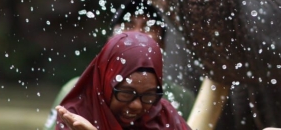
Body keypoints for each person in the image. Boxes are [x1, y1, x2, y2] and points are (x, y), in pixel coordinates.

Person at [43, 0, 195, 130]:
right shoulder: (78, 104)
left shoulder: (166, 112)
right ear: (110, 42)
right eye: (126, 93)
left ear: (161, 44)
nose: (137, 33)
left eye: (149, 95)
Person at [56, 31, 191, 130]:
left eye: (149, 95)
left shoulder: (163, 116)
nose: (137, 105)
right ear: (106, 85)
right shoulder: (76, 117)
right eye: (127, 93)